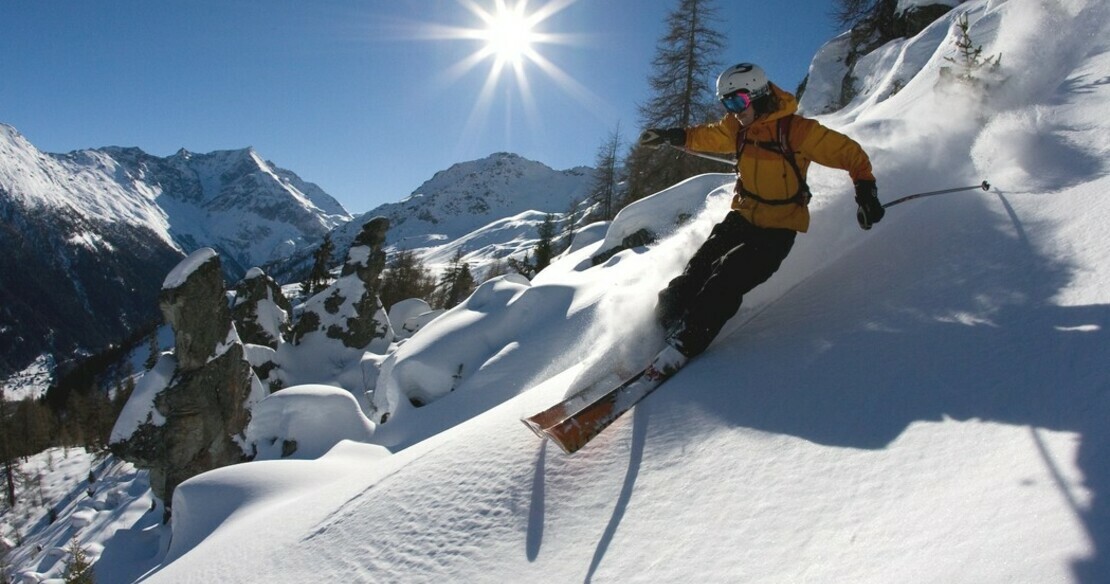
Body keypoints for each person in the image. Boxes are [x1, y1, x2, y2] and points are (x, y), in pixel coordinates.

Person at [638, 62, 885, 380]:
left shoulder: (796, 130)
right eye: (726, 103)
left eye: (737, 102)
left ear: (757, 94)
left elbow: (849, 153)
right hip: (742, 216)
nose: (733, 110)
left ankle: (683, 345)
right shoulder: (736, 128)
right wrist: (673, 136)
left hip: (778, 229)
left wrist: (866, 190)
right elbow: (709, 136)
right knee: (695, 271)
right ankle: (658, 330)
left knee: (726, 280)